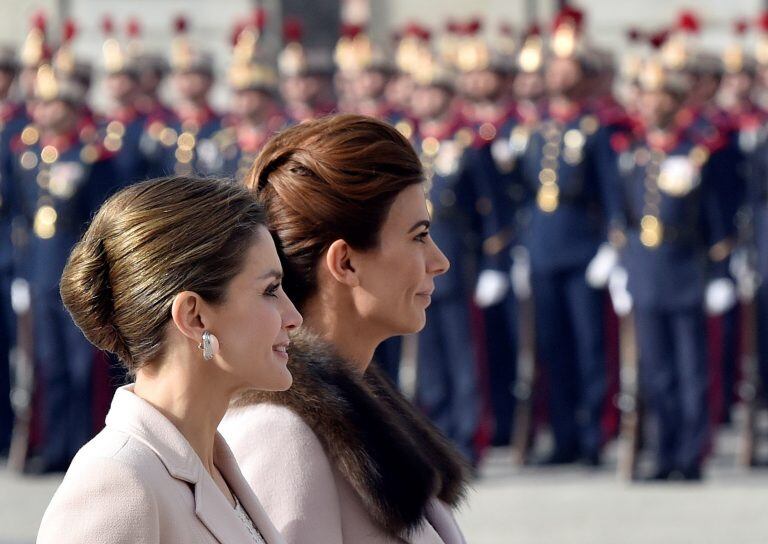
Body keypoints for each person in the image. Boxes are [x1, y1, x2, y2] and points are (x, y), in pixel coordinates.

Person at [220, 114, 469, 544]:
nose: (439, 260)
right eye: (419, 236)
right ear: (346, 263)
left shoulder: (360, 400)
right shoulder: (279, 433)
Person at [37, 176, 301, 543]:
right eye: (270, 290)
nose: (294, 316)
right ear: (194, 317)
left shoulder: (212, 463)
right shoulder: (117, 483)